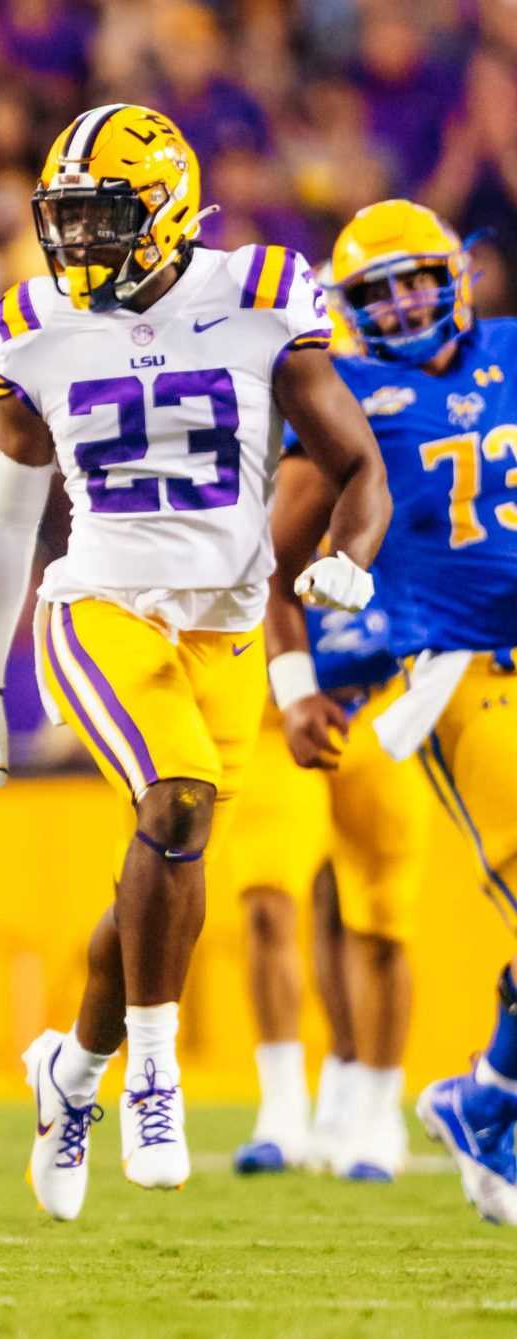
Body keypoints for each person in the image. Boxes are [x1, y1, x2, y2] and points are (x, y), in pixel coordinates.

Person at [0, 103, 388, 1222]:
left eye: (102, 219)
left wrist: (348, 555)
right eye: (67, 222)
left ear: (168, 211)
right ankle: (155, 1073)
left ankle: (71, 1073)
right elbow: (5, 525)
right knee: (177, 804)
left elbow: (352, 459)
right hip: (98, 606)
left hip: (225, 631)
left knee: (158, 872)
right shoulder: (34, 325)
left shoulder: (257, 297)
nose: (77, 245)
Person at [263, 202, 517, 1225]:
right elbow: (271, 567)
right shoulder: (347, 395)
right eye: (381, 291)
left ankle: (485, 1102)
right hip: (465, 677)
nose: (406, 303)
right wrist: (291, 687)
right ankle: (486, 1100)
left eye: (419, 280)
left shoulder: (510, 350)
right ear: (352, 309)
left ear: (459, 273)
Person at [217, 598, 421, 1180]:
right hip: (273, 711)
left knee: (380, 925)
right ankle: (282, 1112)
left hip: (379, 705)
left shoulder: (403, 506)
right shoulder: (268, 510)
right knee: (266, 902)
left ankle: (377, 1111)